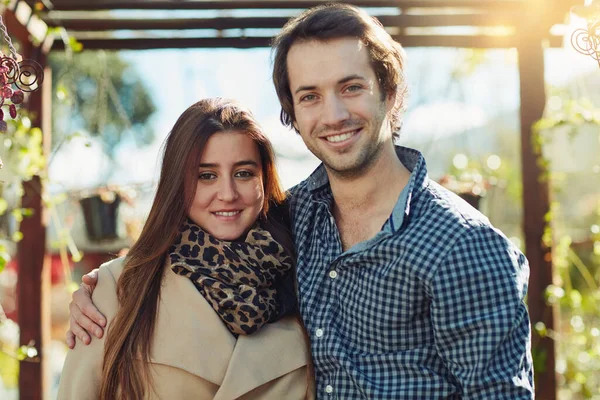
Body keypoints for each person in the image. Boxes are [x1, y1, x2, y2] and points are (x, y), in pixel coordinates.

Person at [68, 4, 534, 399]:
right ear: (291, 113)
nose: (333, 115)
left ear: (388, 93)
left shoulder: (466, 247)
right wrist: (102, 286)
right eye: (310, 96)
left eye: (351, 87)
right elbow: (204, 232)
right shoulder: (294, 219)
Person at [58, 98, 314, 399]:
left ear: (264, 178)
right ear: (177, 182)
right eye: (206, 176)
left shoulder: (306, 277)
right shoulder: (118, 288)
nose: (227, 194)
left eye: (243, 173)